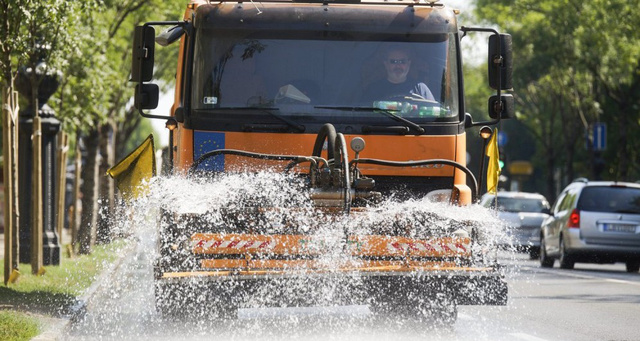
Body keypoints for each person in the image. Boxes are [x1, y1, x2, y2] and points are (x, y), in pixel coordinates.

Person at [361, 47, 435, 103]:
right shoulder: (372, 90)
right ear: (386, 64)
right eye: (393, 61)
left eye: (402, 61)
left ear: (409, 63)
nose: (398, 66)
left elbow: (434, 114)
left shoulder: (420, 89)